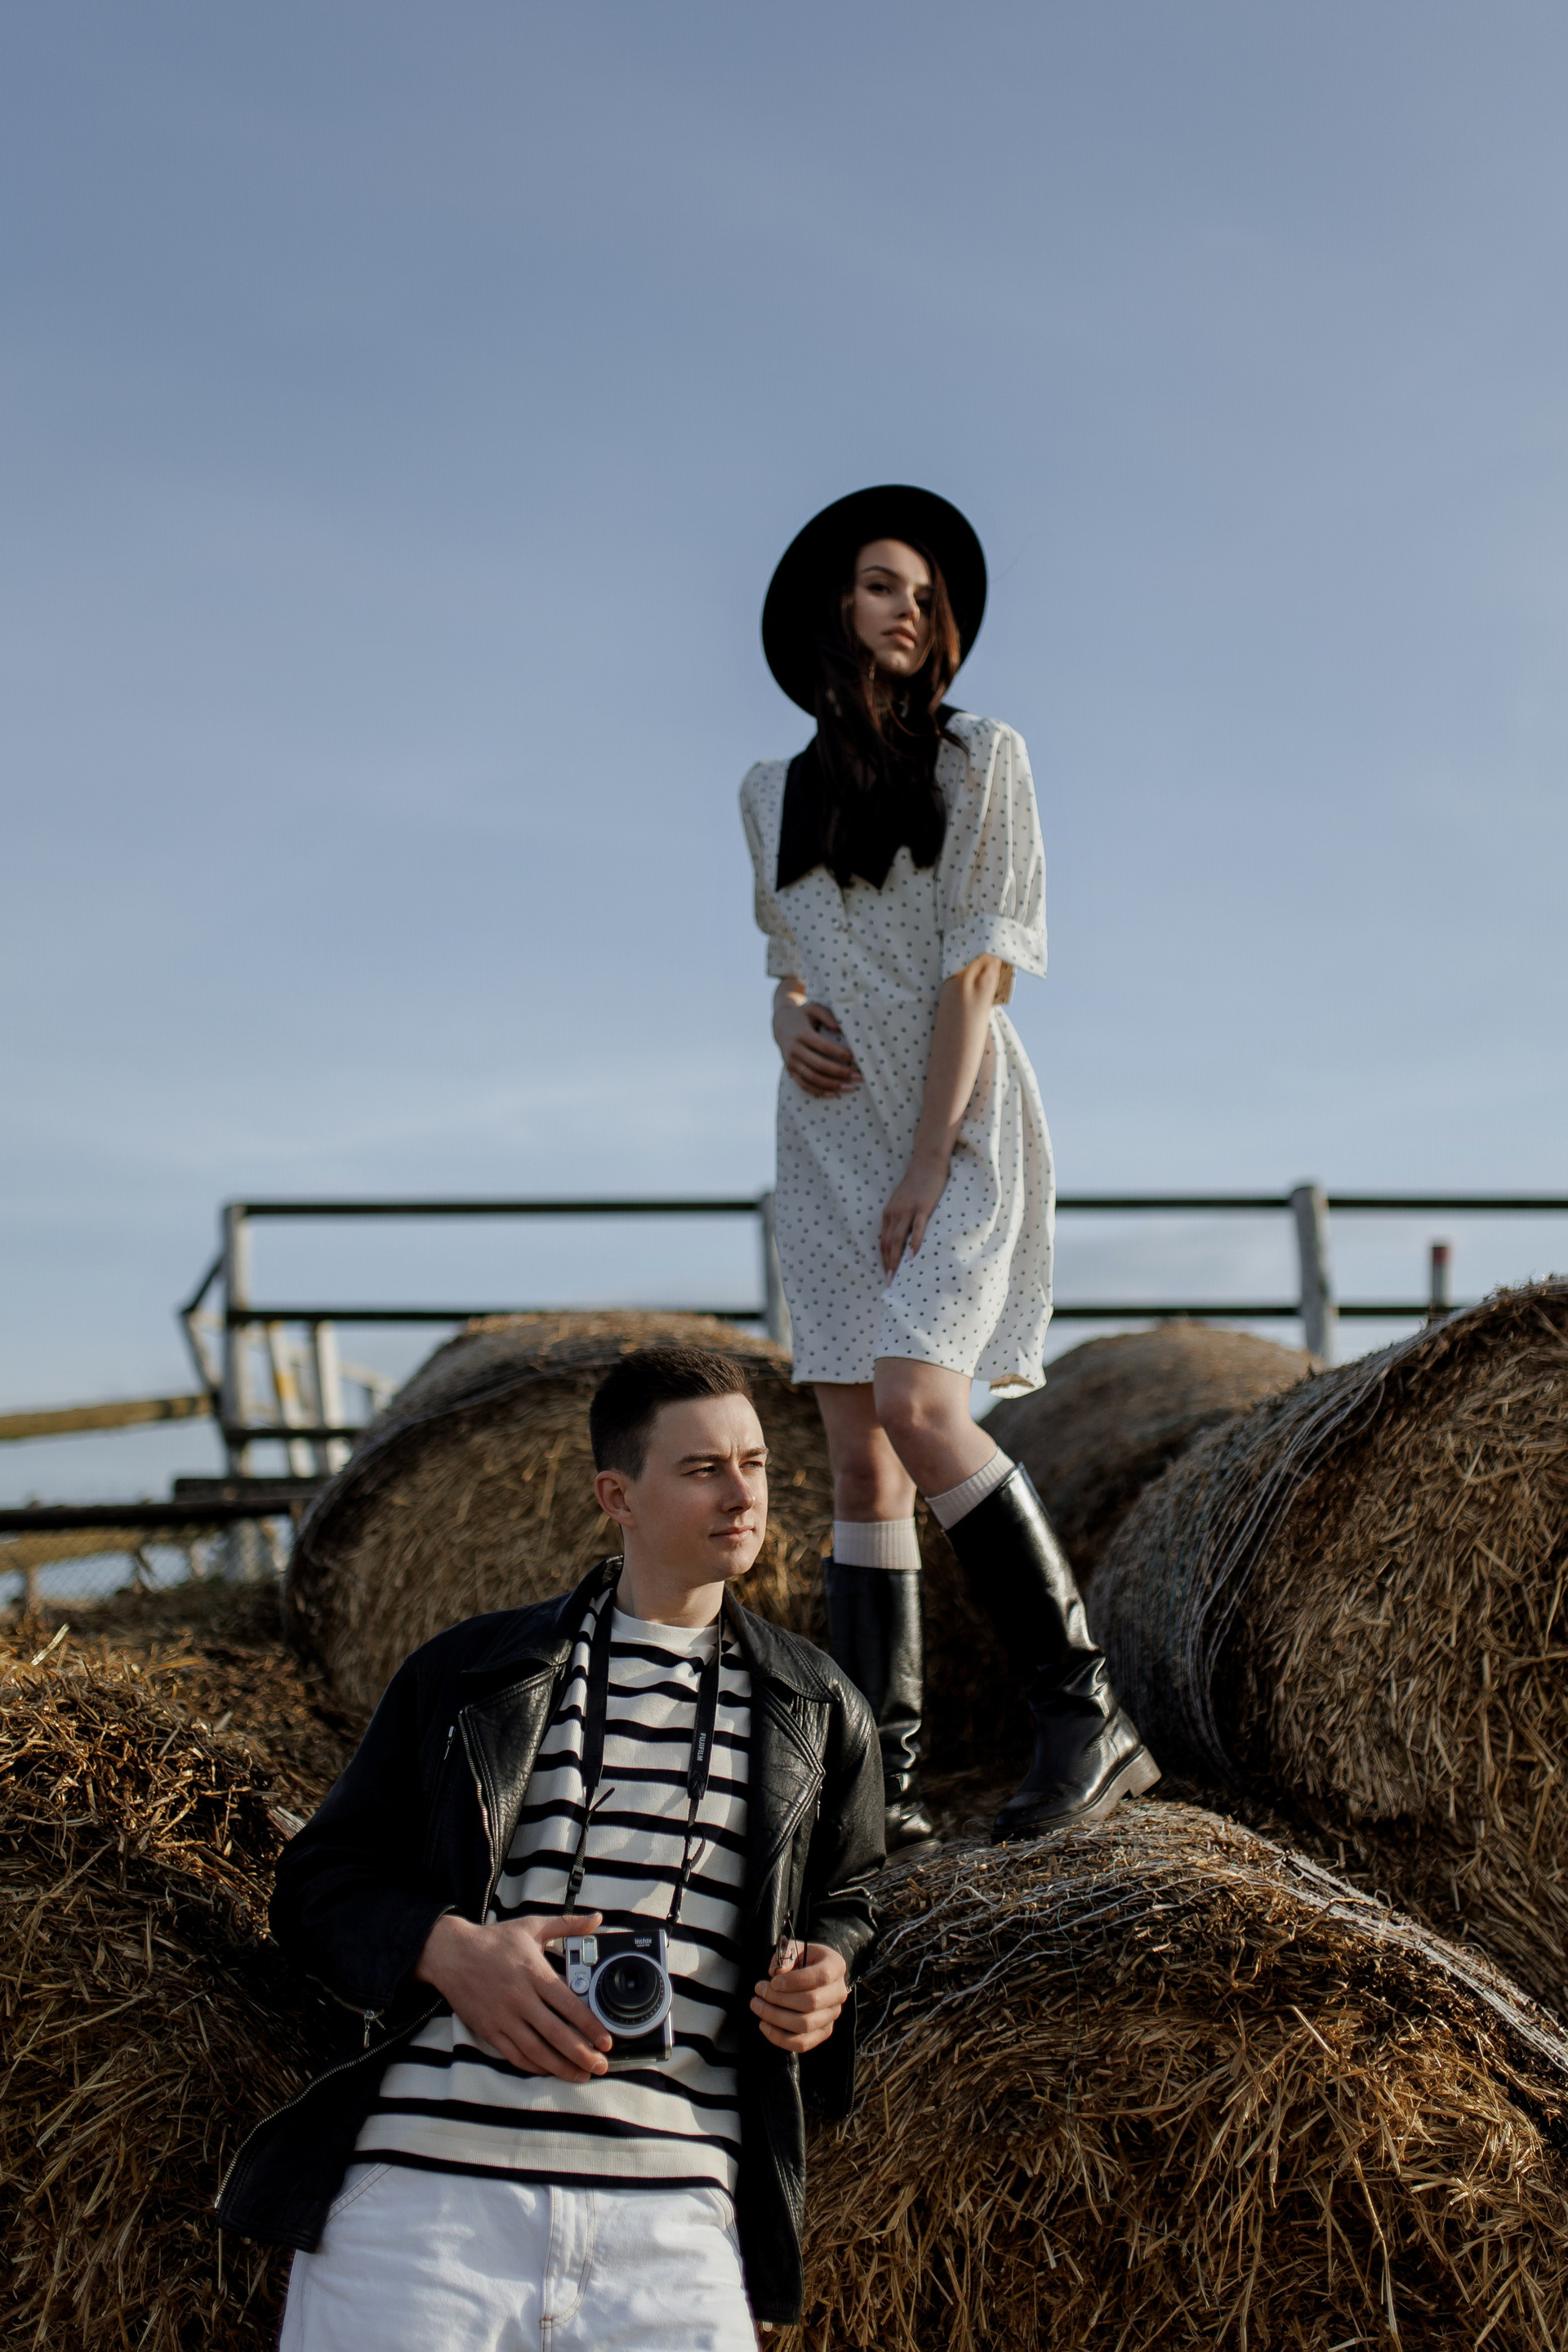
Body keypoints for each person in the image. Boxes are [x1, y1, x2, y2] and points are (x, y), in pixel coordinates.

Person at [217, 1346, 884, 2349]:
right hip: (426, 2214)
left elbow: (851, 1896)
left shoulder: (817, 1707)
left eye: (753, 1463)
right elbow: (316, 1884)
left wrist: (827, 1971)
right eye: (703, 1469)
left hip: (674, 2222)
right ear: (617, 1496)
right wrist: (446, 1949)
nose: (743, 1493)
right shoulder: (470, 1673)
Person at [742, 483, 1159, 1853]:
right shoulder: (767, 794)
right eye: (883, 585)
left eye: (926, 595)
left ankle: (1086, 1712)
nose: (910, 611)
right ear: (833, 606)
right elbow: (787, 955)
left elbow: (979, 969)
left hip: (955, 1120)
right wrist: (783, 1015)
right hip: (825, 1140)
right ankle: (885, 1785)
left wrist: (929, 1162)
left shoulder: (986, 757)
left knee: (923, 1406)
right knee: (860, 1469)